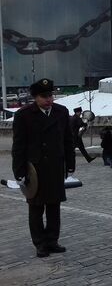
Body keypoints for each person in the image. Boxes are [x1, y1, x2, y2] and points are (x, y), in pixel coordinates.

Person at [12, 78, 76, 257]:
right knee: (37, 207)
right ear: (35, 97)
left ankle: (52, 240)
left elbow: (67, 140)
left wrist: (70, 164)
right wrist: (19, 172)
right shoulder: (24, 115)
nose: (49, 99)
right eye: (44, 96)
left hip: (55, 166)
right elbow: (18, 146)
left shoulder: (61, 112)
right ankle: (40, 242)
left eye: (51, 95)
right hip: (35, 168)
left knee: (54, 206)